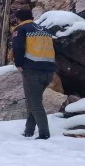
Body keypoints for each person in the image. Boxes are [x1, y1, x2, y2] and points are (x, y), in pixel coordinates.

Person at [12, 8, 57, 140]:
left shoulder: (20, 29)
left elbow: (18, 48)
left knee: (35, 103)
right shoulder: (44, 29)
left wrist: (19, 64)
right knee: (33, 100)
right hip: (49, 70)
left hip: (32, 69)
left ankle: (44, 133)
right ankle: (29, 130)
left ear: (18, 19)